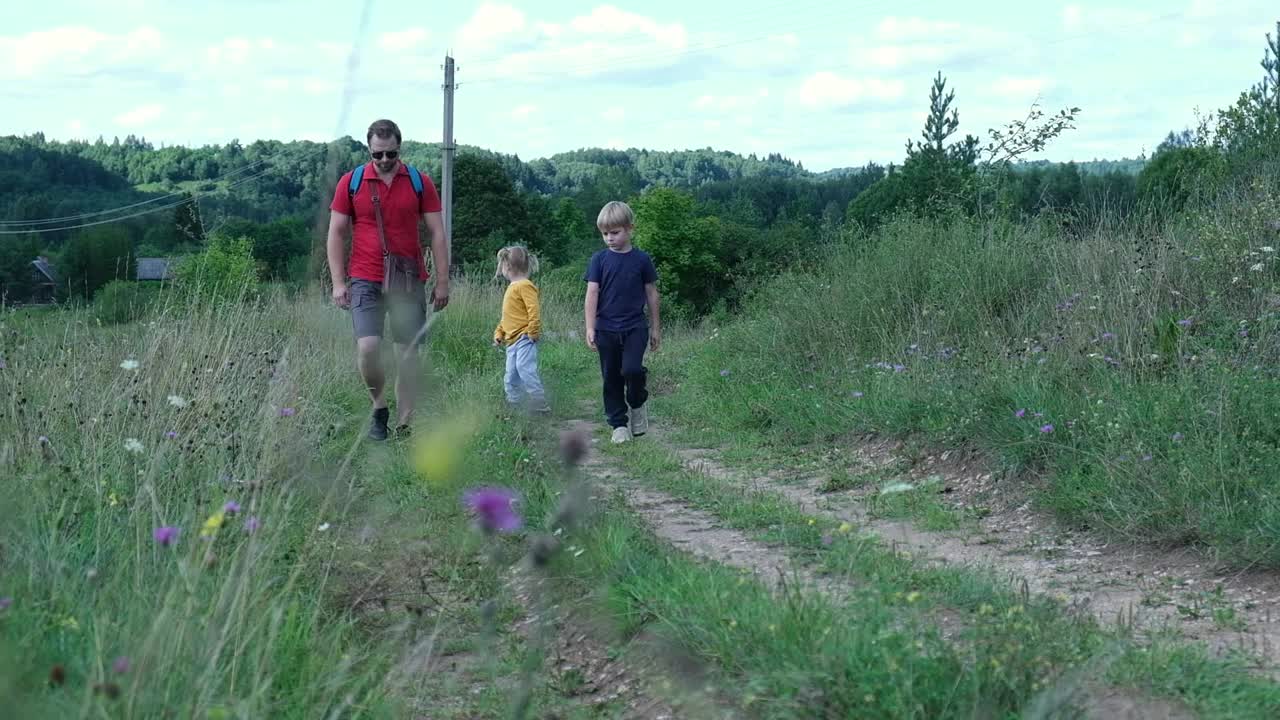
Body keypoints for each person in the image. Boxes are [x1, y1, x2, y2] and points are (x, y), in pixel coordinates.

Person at [326, 118, 450, 441]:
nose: (384, 161)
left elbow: (437, 234)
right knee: (368, 349)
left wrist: (442, 281)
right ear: (369, 150)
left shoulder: (419, 182)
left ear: (400, 149)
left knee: (408, 355)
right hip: (364, 279)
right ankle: (379, 408)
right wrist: (339, 283)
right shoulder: (350, 183)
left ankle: (405, 425)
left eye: (390, 154)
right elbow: (336, 234)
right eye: (377, 155)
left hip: (408, 278)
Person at [584, 201, 660, 444]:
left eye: (614, 233)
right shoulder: (598, 260)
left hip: (635, 327)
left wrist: (656, 327)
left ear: (630, 229)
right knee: (611, 376)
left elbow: (652, 294)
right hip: (606, 328)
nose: (609, 238)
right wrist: (589, 326)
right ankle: (618, 424)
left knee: (632, 370)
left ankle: (637, 403)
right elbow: (592, 294)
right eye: (605, 234)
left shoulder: (642, 259)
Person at [493, 246, 550, 414]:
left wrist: (533, 331)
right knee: (510, 375)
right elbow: (508, 316)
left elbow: (534, 310)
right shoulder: (512, 287)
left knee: (525, 368)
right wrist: (499, 333)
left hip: (525, 336)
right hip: (511, 340)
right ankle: (514, 404)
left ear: (507, 267)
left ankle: (539, 402)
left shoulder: (524, 285)